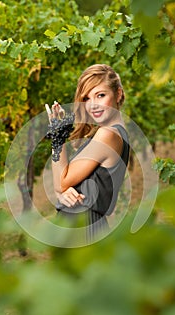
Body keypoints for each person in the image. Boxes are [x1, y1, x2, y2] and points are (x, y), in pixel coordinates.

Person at [45, 64, 129, 242]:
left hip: (83, 227)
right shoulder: (113, 132)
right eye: (86, 98)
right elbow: (63, 184)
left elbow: (61, 182)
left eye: (100, 95)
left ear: (118, 94)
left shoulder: (108, 134)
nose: (93, 105)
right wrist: (63, 193)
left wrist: (57, 136)